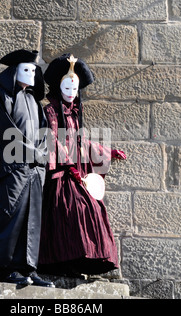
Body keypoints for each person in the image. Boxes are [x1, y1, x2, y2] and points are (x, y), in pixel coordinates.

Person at [38, 54, 127, 277]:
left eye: (75, 86)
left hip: (78, 172)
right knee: (73, 209)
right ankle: (63, 262)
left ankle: (83, 263)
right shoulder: (50, 111)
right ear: (59, 86)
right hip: (61, 174)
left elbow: (81, 142)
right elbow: (51, 139)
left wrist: (107, 152)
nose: (71, 90)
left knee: (93, 208)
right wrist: (69, 166)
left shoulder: (76, 114)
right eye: (67, 85)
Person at [0, 49, 54, 287]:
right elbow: (6, 131)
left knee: (32, 219)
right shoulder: (2, 97)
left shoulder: (34, 102)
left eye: (33, 71)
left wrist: (40, 157)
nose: (31, 75)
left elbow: (44, 133)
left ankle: (27, 267)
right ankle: (4, 266)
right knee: (10, 216)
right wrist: (29, 154)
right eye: (25, 70)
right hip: (11, 171)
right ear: (14, 72)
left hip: (33, 171)